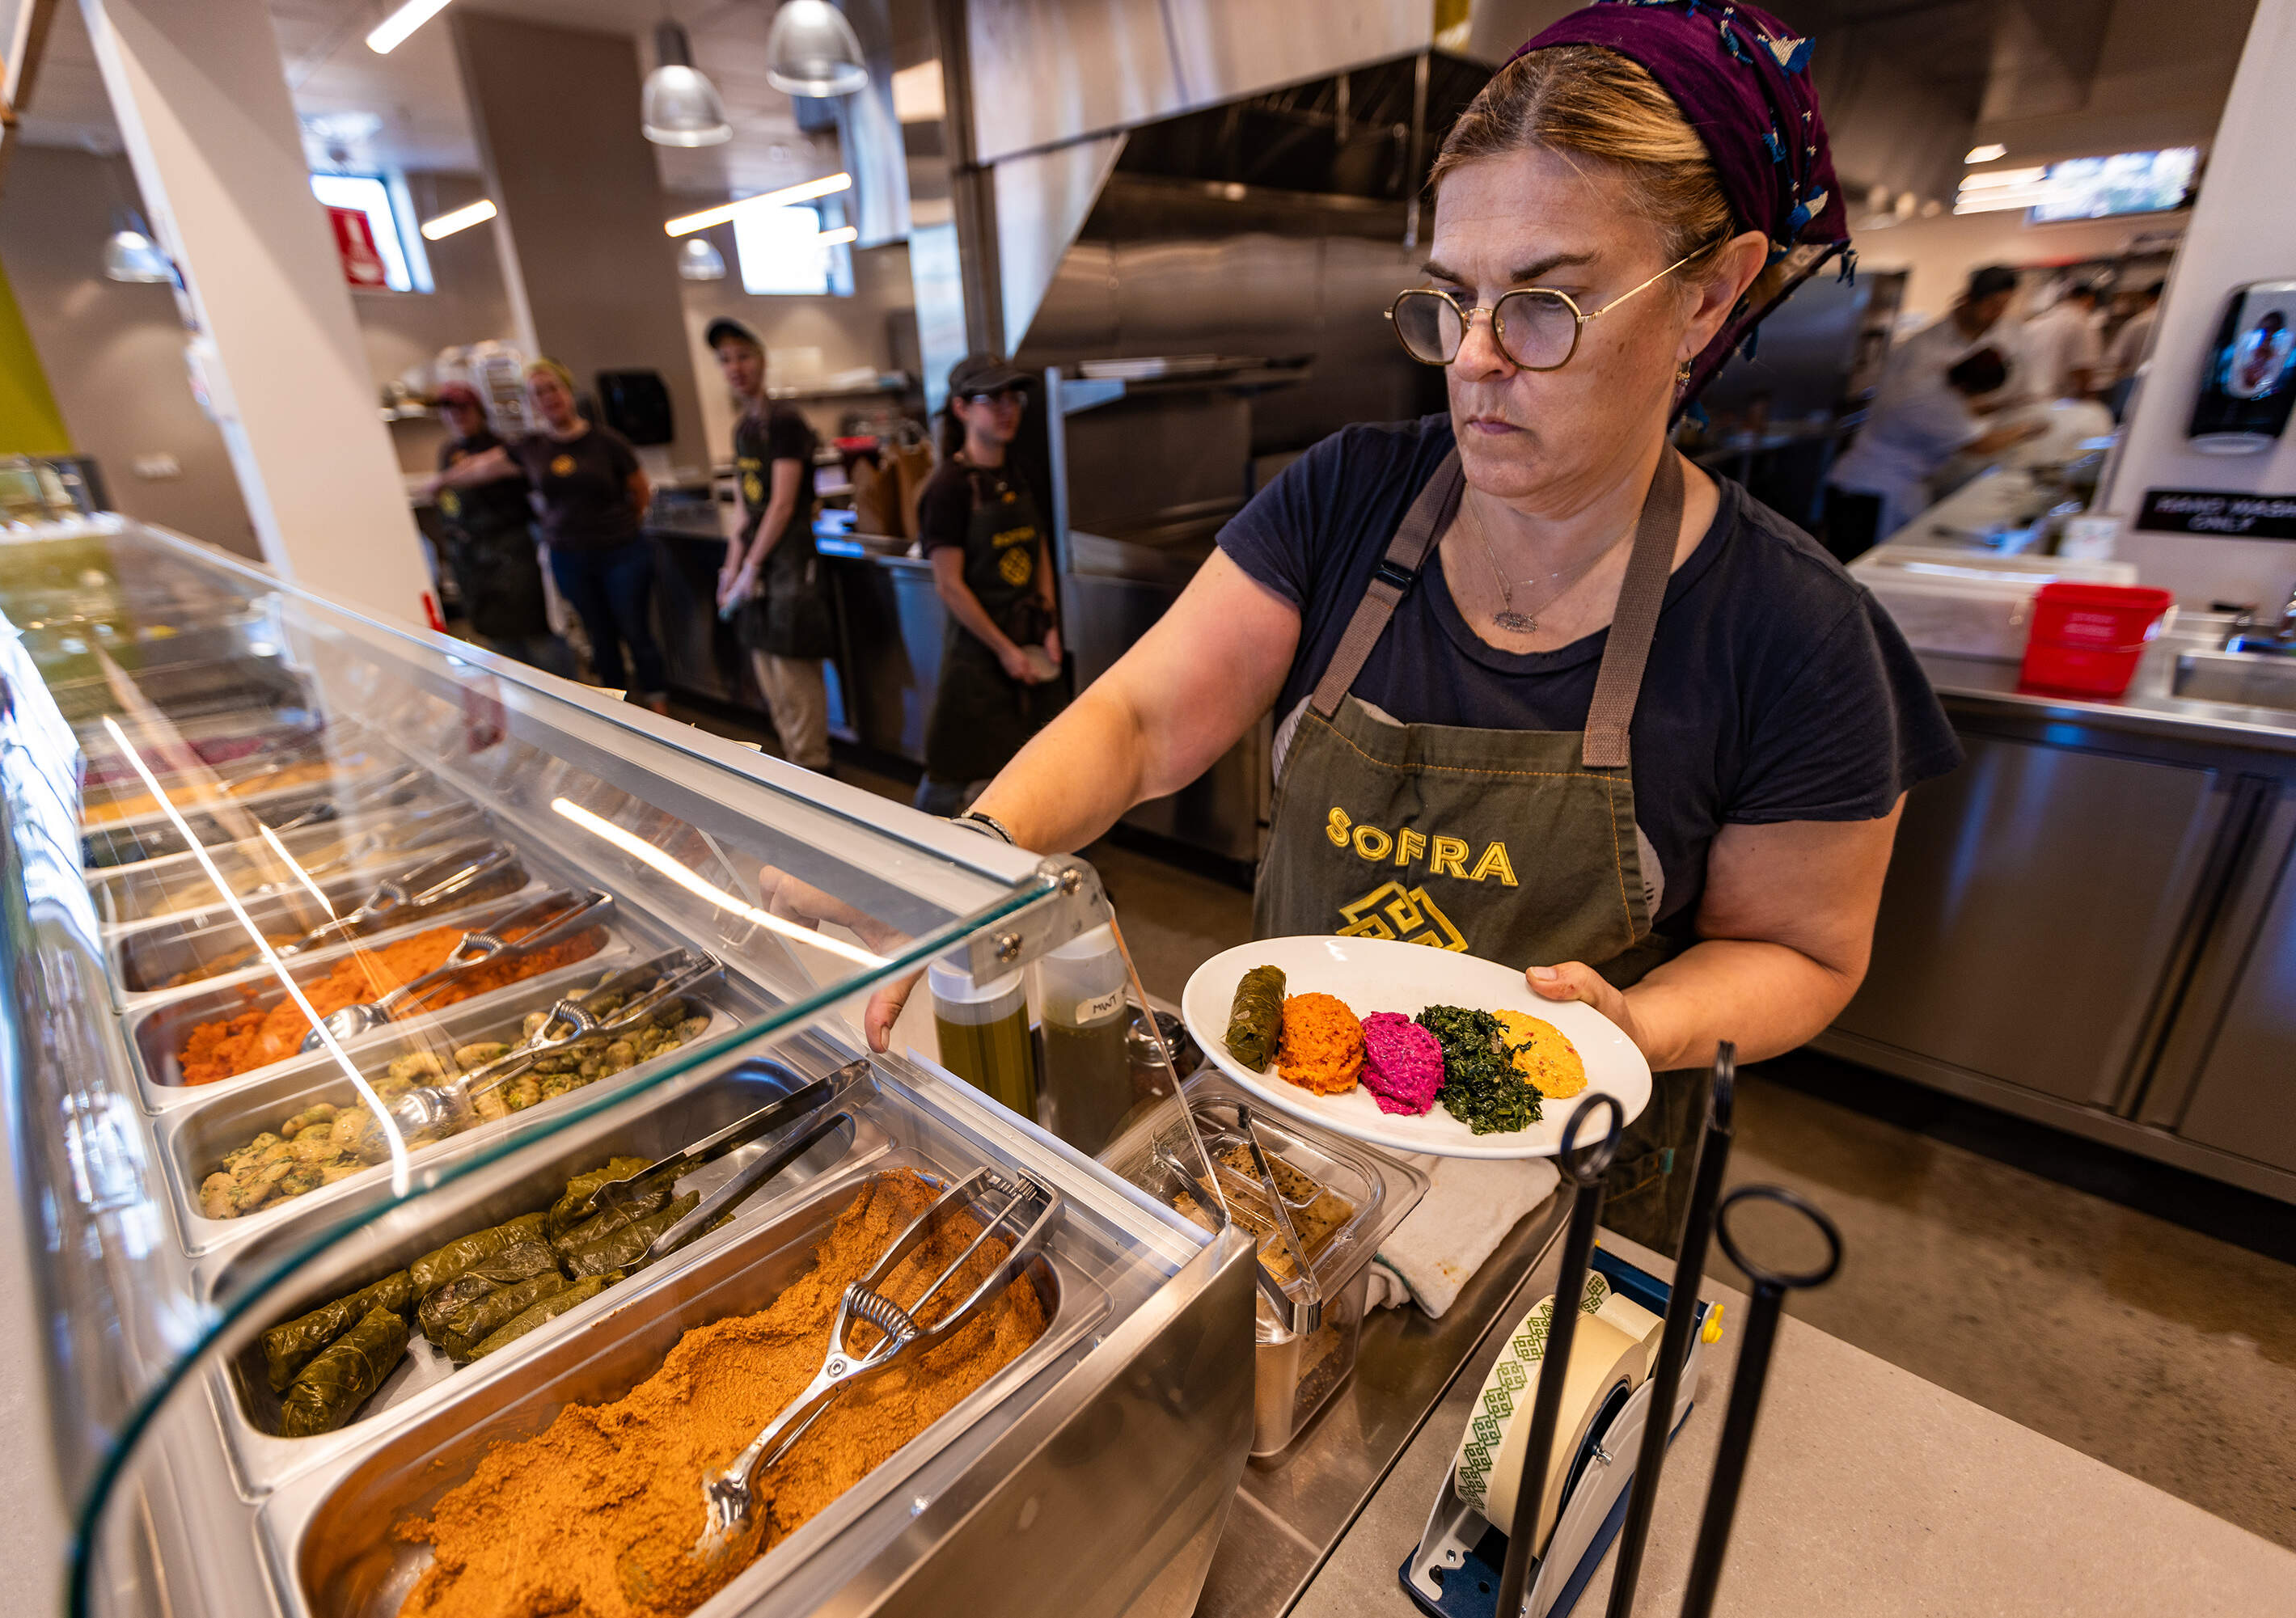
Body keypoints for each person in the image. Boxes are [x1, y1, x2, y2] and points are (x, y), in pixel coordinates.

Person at [821, 1, 1966, 1253]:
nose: (1472, 360)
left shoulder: (1794, 632)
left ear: (1709, 298)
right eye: (1450, 298)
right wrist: (969, 871)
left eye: (1546, 304)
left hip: (1552, 1208)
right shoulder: (1347, 497)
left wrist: (1638, 1025)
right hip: (1289, 1153)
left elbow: (1802, 952)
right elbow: (1142, 721)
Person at [429, 359, 670, 715]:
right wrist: (440, 481)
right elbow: (481, 467)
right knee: (598, 635)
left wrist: (623, 526)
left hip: (621, 553)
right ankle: (621, 713)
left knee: (635, 631)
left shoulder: (607, 441)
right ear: (532, 403)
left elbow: (640, 491)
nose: (548, 398)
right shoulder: (532, 447)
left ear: (568, 391)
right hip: (570, 558)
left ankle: (659, 707)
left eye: (552, 389)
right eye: (538, 394)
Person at [911, 354, 1066, 815]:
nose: (1006, 409)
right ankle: (910, 859)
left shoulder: (1018, 474)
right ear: (961, 409)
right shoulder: (947, 489)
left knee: (1033, 765)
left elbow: (1038, 552)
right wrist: (1004, 650)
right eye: (990, 399)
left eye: (1012, 398)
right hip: (978, 661)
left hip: (1031, 649)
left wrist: (1050, 626)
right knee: (949, 775)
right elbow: (950, 586)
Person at [709, 317, 836, 773]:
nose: (736, 367)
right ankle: (800, 774)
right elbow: (746, 512)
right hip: (759, 570)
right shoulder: (743, 429)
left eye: (743, 356)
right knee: (774, 687)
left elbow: (782, 505)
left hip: (789, 569)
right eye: (726, 360)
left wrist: (752, 569)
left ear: (761, 359)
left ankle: (819, 779)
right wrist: (731, 572)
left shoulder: (786, 423)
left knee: (796, 681)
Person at [1823, 349, 2040, 559]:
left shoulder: (1932, 378)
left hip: (1865, 481)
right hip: (1874, 493)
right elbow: (1981, 445)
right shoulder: (1940, 407)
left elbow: (1966, 408)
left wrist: (2003, 406)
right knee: (1858, 564)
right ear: (1969, 386)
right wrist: (2026, 429)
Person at [426, 382, 572, 676]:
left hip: (514, 556)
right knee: (501, 647)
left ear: (479, 411)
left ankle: (571, 707)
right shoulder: (449, 451)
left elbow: (481, 473)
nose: (457, 416)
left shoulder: (503, 448)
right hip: (473, 563)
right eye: (449, 410)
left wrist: (442, 482)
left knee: (539, 638)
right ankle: (524, 709)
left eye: (463, 409)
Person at [1879, 265, 2022, 403]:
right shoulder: (1920, 348)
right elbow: (1899, 406)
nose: (1997, 314)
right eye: (1992, 305)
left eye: (2003, 307)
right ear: (1968, 299)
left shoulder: (1999, 341)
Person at [2019, 282, 2105, 403]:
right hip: (2061, 401)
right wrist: (2091, 402)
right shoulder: (2080, 321)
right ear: (2089, 299)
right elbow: (2082, 370)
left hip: (2031, 400)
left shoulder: (2036, 322)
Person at [2104, 281, 2162, 417]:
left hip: (2135, 388)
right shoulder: (2181, 322)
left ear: (2150, 298)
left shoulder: (2136, 323)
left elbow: (2118, 362)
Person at [2225, 308, 2294, 399]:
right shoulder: (2278, 354)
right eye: (2259, 375)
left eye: (2253, 374)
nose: (2258, 371)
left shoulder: (2247, 347)